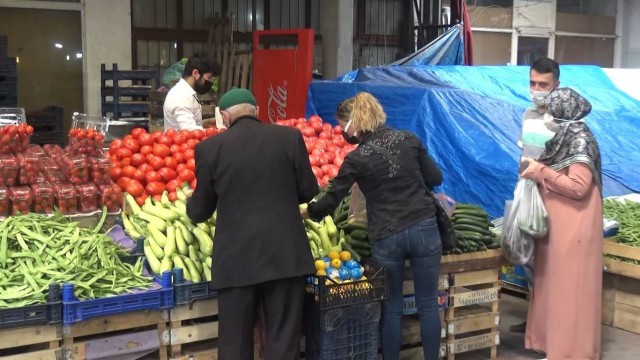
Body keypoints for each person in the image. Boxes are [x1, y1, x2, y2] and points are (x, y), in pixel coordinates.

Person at [301, 92, 443, 360]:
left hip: (388, 236)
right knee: (427, 303)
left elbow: (333, 196)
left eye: (344, 124)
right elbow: (435, 177)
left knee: (391, 308)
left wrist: (308, 212)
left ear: (355, 122)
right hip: (424, 228)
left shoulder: (358, 158)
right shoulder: (409, 139)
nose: (343, 131)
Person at [186, 88, 319, 360]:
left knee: (235, 340)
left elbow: (200, 211)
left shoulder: (209, 149)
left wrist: (191, 201)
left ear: (224, 116)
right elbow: (309, 191)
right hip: (284, 255)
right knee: (283, 337)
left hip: (237, 260)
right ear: (257, 110)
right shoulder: (289, 138)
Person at [520, 88, 602, 360]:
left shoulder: (580, 141)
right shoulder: (563, 138)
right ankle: (552, 345)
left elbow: (579, 187)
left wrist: (541, 171)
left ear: (565, 114)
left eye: (553, 113)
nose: (549, 118)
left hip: (575, 225)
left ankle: (570, 352)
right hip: (558, 223)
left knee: (570, 288)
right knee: (553, 286)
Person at [511, 57, 561, 334]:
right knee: (528, 257)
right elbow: (525, 152)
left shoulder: (562, 120)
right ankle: (535, 320)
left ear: (556, 85)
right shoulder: (528, 113)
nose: (536, 89)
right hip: (528, 191)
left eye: (543, 84)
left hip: (553, 195)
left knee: (551, 262)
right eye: (532, 83)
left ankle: (551, 328)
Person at [163, 52, 221, 131]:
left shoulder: (186, 92)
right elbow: (189, 130)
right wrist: (218, 132)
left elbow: (186, 122)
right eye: (209, 77)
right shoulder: (181, 96)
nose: (210, 82)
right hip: (183, 142)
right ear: (195, 73)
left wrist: (205, 123)